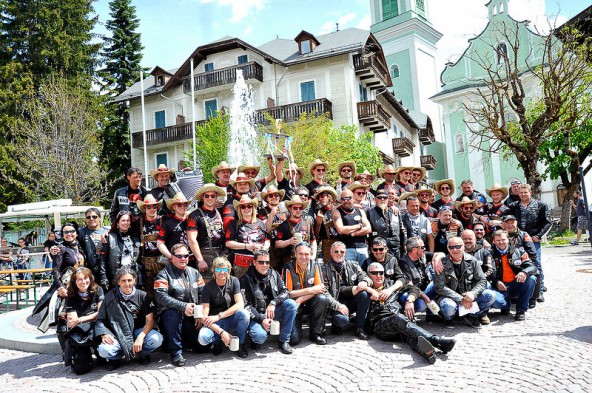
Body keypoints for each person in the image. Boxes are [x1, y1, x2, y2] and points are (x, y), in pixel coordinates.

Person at [366, 262, 456, 364]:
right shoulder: (367, 290)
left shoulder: (391, 285)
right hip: (381, 326)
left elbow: (414, 288)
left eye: (381, 273)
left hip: (400, 323)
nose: (379, 276)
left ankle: (428, 353)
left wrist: (410, 300)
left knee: (410, 336)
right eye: (374, 273)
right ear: (369, 275)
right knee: (398, 318)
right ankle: (436, 340)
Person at [96, 267, 163, 370]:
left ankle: (142, 353)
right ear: (118, 282)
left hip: (137, 331)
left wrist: (140, 337)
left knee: (156, 339)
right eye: (123, 281)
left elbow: (150, 320)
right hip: (118, 333)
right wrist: (104, 334)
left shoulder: (142, 296)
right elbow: (101, 319)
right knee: (103, 350)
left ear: (134, 281)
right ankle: (116, 358)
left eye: (129, 280)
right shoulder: (110, 296)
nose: (127, 284)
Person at [154, 244, 206, 366]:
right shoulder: (163, 274)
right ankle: (175, 352)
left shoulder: (195, 272)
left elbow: (202, 295)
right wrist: (183, 306)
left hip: (190, 317)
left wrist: (199, 314)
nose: (183, 258)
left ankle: (176, 342)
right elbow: (160, 297)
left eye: (186, 256)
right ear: (171, 257)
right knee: (173, 313)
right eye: (179, 256)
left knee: (202, 348)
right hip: (170, 317)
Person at [240, 250, 297, 354]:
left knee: (291, 304)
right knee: (260, 337)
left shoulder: (274, 274)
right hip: (256, 315)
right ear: (254, 262)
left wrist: (274, 303)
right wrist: (261, 319)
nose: (265, 265)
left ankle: (284, 341)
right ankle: (255, 338)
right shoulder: (246, 279)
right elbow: (246, 305)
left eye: (267, 262)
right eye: (261, 262)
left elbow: (285, 292)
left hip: (272, 311)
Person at [433, 237, 495, 328]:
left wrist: (473, 294)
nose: (455, 249)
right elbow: (440, 287)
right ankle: (450, 318)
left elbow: (482, 280)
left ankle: (472, 315)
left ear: (463, 247)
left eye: (458, 246)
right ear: (448, 249)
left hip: (469, 296)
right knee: (448, 307)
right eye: (451, 247)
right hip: (450, 298)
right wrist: (461, 299)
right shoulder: (442, 263)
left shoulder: (472, 260)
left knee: (491, 295)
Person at [197, 257, 250, 358]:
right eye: (218, 269)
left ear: (229, 270)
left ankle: (240, 344)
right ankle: (217, 342)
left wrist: (220, 316)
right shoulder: (208, 287)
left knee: (244, 314)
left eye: (225, 269)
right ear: (214, 271)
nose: (222, 272)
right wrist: (221, 332)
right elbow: (204, 316)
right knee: (203, 338)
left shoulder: (234, 281)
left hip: (229, 318)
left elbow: (240, 304)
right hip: (215, 322)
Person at [321, 241, 374, 340]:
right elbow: (324, 292)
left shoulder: (353, 265)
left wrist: (364, 282)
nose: (339, 254)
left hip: (351, 299)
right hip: (335, 303)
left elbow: (366, 277)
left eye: (342, 252)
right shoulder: (324, 269)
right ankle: (336, 324)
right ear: (331, 252)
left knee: (364, 294)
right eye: (336, 251)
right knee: (341, 320)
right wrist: (337, 306)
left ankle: (359, 328)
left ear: (345, 253)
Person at [508, 183, 551, 298]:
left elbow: (547, 222)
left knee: (535, 262)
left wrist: (539, 235)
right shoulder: (513, 206)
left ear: (530, 192)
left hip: (533, 239)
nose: (523, 194)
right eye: (521, 192)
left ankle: (539, 290)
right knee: (517, 262)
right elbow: (507, 220)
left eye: (525, 192)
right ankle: (520, 290)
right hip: (517, 239)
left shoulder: (541, 205)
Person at [60, 267, 104, 374]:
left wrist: (81, 319)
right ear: (74, 282)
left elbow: (101, 313)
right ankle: (82, 353)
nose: (84, 281)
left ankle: (98, 354)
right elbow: (72, 320)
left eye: (86, 278)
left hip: (96, 327)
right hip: (82, 332)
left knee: (104, 361)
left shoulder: (98, 290)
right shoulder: (71, 295)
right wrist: (91, 317)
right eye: (80, 279)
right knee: (80, 369)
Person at [283, 243, 328, 345]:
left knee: (322, 299)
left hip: (308, 302)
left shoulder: (315, 265)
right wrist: (310, 290)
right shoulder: (288, 267)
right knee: (294, 340)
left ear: (311, 254)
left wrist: (301, 298)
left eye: (307, 254)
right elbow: (288, 293)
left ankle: (315, 333)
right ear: (295, 254)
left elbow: (320, 289)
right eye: (301, 254)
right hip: (295, 305)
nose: (304, 257)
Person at [489, 230, 537, 321]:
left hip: (515, 285)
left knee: (531, 278)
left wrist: (524, 272)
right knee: (496, 301)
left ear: (508, 239)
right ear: (494, 241)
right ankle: (505, 306)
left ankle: (521, 310)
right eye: (498, 240)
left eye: (503, 239)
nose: (501, 242)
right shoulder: (488, 253)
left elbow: (532, 267)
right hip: (498, 287)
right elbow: (485, 272)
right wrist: (496, 281)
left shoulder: (519, 251)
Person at [501, 215, 543, 307]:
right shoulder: (499, 235)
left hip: (520, 263)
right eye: (507, 223)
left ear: (516, 223)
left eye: (512, 223)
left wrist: (523, 262)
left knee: (536, 272)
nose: (510, 225)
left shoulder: (524, 234)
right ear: (503, 225)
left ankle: (533, 297)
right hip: (504, 265)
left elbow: (532, 254)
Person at [188, 184, 226, 282]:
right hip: (205, 256)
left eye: (212, 196)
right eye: (207, 196)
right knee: (206, 286)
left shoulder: (219, 213)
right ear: (202, 197)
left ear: (216, 197)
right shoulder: (195, 215)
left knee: (222, 282)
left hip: (220, 254)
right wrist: (200, 260)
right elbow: (192, 239)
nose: (210, 198)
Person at [225, 195, 270, 279]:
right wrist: (246, 246)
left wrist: (264, 248)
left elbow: (267, 239)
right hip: (241, 264)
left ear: (253, 208)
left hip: (260, 263)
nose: (246, 209)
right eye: (243, 206)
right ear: (239, 209)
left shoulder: (260, 223)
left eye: (249, 206)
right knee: (242, 290)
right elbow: (228, 243)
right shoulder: (234, 223)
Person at [397, 237, 438, 315]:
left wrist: (436, 260)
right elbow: (410, 285)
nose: (424, 249)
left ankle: (433, 314)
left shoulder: (423, 256)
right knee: (420, 303)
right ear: (414, 249)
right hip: (412, 293)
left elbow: (440, 254)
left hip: (424, 289)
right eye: (422, 247)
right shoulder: (403, 263)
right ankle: (407, 313)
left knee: (438, 282)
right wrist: (426, 297)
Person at [134, 195, 164, 299]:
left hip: (162, 262)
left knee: (163, 290)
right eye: (148, 207)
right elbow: (123, 230)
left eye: (154, 207)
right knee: (149, 294)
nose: (152, 209)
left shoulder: (164, 221)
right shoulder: (138, 223)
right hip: (145, 263)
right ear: (144, 208)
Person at [274, 195, 317, 268]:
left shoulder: (308, 223)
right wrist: (289, 242)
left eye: (300, 208)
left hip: (306, 259)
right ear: (290, 209)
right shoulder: (283, 225)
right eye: (295, 208)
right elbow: (277, 244)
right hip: (290, 261)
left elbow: (313, 241)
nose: (298, 210)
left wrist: (313, 256)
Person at [332, 189, 371, 265]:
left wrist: (353, 233)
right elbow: (341, 229)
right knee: (349, 273)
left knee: (364, 271)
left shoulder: (360, 211)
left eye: (348, 198)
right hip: (347, 248)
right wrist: (359, 226)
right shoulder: (337, 212)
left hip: (362, 247)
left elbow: (368, 228)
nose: (345, 201)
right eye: (343, 199)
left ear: (353, 198)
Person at [366, 189, 406, 258]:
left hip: (395, 249)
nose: (382, 199)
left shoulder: (395, 212)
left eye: (384, 198)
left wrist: (404, 245)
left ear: (387, 199)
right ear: (375, 199)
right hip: (378, 249)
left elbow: (402, 230)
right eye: (379, 197)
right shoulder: (369, 212)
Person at [105, 211, 140, 288]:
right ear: (117, 223)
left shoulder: (136, 237)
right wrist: (103, 277)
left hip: (132, 277)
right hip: (116, 278)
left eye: (128, 220)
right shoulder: (110, 237)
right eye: (123, 220)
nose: (126, 223)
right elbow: (103, 259)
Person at [78, 208, 109, 289]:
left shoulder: (108, 232)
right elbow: (68, 240)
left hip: (106, 270)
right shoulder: (80, 232)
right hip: (88, 270)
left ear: (100, 218)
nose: (91, 219)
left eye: (94, 217)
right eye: (88, 217)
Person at [157, 193, 190, 264]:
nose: (182, 207)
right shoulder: (167, 223)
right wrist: (171, 257)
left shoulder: (192, 220)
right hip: (176, 261)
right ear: (174, 207)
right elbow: (160, 243)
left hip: (192, 259)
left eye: (185, 204)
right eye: (179, 204)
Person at [313, 186, 340, 262]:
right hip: (326, 244)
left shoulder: (338, 209)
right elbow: (315, 235)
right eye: (319, 197)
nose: (321, 199)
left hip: (340, 241)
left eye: (322, 196)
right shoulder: (317, 212)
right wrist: (318, 223)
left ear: (329, 197)